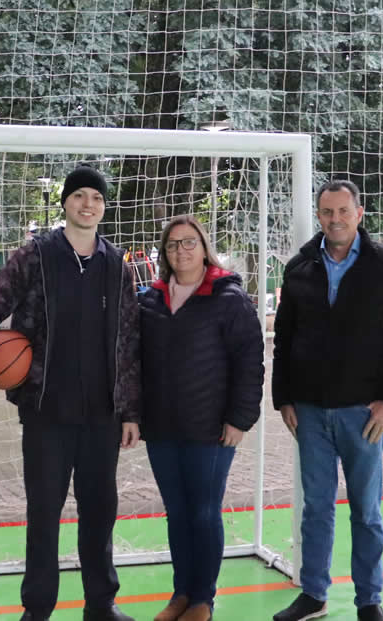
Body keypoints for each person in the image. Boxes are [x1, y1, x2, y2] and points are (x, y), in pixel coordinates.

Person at [0, 164, 140, 621]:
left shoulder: (117, 265)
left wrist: (131, 410)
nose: (88, 204)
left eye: (96, 198)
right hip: (46, 412)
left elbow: (131, 341)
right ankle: (37, 609)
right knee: (43, 514)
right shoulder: (35, 256)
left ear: (104, 207)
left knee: (100, 513)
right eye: (79, 196)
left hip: (102, 414)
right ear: (66, 203)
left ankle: (101, 604)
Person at [271, 180, 383, 621]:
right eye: (326, 212)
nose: (334, 219)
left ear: (359, 213)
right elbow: (284, 338)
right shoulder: (299, 267)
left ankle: (368, 600)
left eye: (342, 211)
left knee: (366, 512)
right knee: (315, 508)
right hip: (310, 412)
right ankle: (314, 594)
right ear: (319, 216)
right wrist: (283, 398)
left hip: (364, 414)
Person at [139, 215, 264, 621]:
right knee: (176, 511)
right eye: (173, 245)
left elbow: (250, 361)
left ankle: (202, 601)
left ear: (204, 247)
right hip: (162, 428)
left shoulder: (228, 298)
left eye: (189, 242)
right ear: (165, 253)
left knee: (204, 511)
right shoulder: (151, 300)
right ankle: (181, 593)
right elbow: (134, 363)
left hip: (210, 428)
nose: (181, 251)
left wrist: (240, 419)